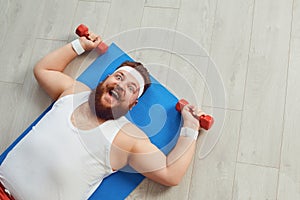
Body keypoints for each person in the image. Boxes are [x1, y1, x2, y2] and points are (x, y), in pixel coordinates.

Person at [0, 29, 204, 200]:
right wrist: (79, 45)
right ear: (105, 81)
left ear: (133, 105)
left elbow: (171, 173)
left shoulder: (126, 138)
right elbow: (44, 70)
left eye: (131, 87)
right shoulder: (74, 93)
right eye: (119, 76)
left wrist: (190, 127)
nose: (121, 85)